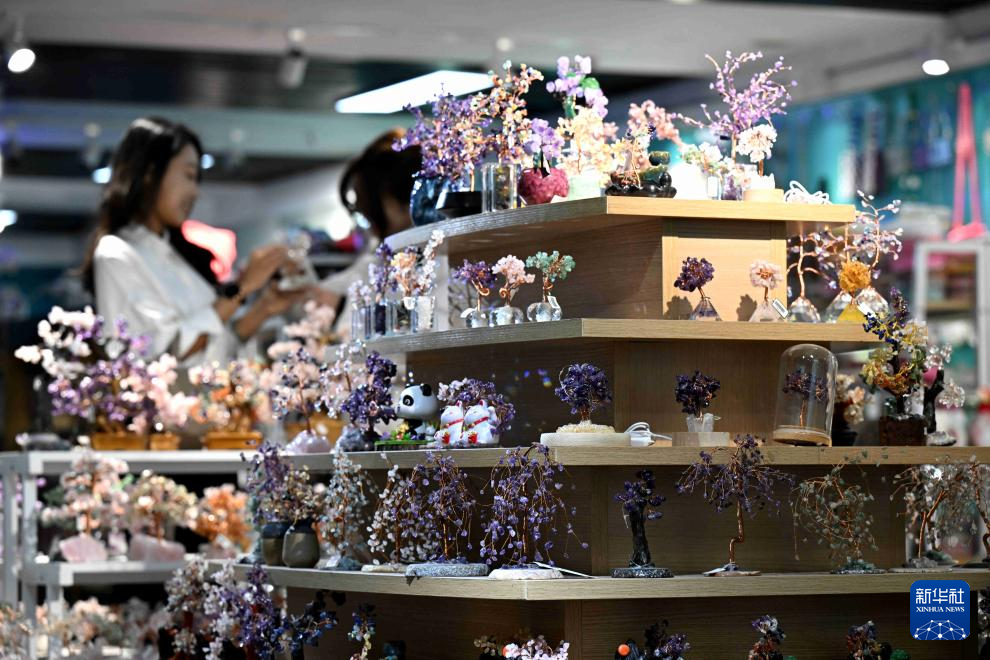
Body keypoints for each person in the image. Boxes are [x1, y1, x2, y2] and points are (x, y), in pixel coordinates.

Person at [82, 117, 305, 364]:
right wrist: (242, 287)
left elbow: (213, 347)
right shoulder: (116, 253)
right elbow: (166, 350)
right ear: (150, 174)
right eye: (189, 175)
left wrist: (264, 308)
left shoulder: (174, 254)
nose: (195, 192)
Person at [317, 129, 421, 334]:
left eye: (365, 206)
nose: (365, 215)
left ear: (391, 201)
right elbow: (345, 281)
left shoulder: (427, 259)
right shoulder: (384, 256)